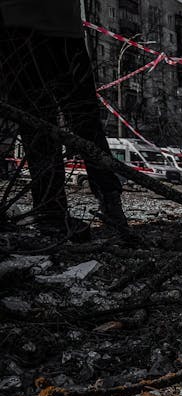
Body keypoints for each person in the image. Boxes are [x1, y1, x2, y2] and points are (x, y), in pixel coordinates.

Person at [0, 0, 129, 241]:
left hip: (46, 27)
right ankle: (56, 214)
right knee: (48, 123)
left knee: (66, 121)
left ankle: (92, 207)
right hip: (29, 27)